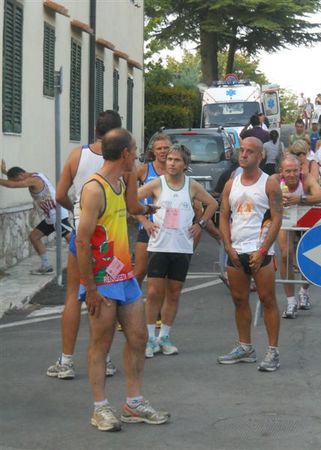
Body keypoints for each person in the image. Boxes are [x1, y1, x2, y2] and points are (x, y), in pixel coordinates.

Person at [76, 128, 169, 431]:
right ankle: (100, 408)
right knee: (100, 342)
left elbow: (129, 208)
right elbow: (81, 241)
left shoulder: (119, 181)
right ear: (126, 154)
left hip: (124, 274)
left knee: (139, 337)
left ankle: (133, 403)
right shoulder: (94, 189)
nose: (140, 155)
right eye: (136, 150)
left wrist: (145, 209)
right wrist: (89, 289)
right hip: (102, 279)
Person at [46, 110, 142, 380]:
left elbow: (60, 194)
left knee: (75, 297)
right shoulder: (124, 164)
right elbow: (131, 204)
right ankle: (107, 359)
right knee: (108, 300)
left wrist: (76, 210)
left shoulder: (78, 155)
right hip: (111, 240)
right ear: (118, 134)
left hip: (83, 235)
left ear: (95, 130)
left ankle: (66, 360)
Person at [138, 144, 218, 358]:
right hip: (159, 245)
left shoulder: (192, 186)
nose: (172, 163)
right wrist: (145, 221)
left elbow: (212, 204)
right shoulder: (157, 183)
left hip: (182, 247)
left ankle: (164, 336)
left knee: (174, 293)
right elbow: (132, 201)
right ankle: (149, 338)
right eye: (170, 159)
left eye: (177, 160)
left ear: (185, 164)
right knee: (154, 292)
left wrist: (200, 224)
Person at [217, 137, 283, 372]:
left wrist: (264, 249)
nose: (243, 155)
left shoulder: (270, 184)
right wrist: (228, 247)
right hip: (236, 251)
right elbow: (224, 215)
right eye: (242, 150)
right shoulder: (230, 184)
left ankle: (273, 351)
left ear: (260, 156)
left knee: (267, 300)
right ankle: (245, 347)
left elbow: (277, 218)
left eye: (250, 152)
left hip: (260, 252)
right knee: (239, 300)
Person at [276, 151, 321, 318]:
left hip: (307, 221)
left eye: (294, 171)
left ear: (300, 170)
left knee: (311, 256)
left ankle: (303, 291)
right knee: (286, 255)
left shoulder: (305, 179)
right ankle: (291, 301)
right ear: (281, 172)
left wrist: (300, 199)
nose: (292, 175)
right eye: (287, 171)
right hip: (286, 221)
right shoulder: (275, 180)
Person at [0, 161, 72, 274]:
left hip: (57, 215)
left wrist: (6, 178)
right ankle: (46, 266)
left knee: (72, 240)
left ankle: (87, 263)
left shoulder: (34, 180)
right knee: (34, 237)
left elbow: (13, 185)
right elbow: (14, 179)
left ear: (21, 175)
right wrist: (5, 171)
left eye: (17, 179)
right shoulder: (36, 174)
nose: (20, 182)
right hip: (50, 218)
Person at [134, 134, 169, 288]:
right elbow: (130, 199)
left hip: (170, 229)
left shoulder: (176, 168)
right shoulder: (143, 170)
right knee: (140, 271)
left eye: (166, 148)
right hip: (148, 228)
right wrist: (144, 221)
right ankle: (130, 304)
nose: (163, 151)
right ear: (153, 151)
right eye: (159, 148)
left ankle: (161, 311)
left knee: (164, 276)